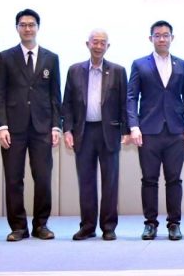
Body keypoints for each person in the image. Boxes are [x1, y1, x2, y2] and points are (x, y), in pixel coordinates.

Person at [0, 9, 62, 242]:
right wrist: (1, 126)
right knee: (14, 179)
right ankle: (18, 227)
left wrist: (56, 126)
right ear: (17, 28)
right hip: (13, 128)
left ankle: (41, 225)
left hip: (42, 128)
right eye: (23, 25)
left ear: (38, 28)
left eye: (31, 25)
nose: (27, 29)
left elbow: (55, 96)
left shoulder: (51, 58)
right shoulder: (4, 58)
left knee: (43, 178)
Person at [61, 29, 129, 241]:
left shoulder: (118, 71)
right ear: (88, 44)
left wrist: (126, 130)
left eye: (102, 43)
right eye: (95, 42)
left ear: (108, 46)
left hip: (109, 132)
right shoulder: (74, 70)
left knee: (110, 182)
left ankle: (108, 227)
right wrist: (67, 130)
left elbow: (124, 103)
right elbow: (67, 104)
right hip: (83, 132)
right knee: (86, 182)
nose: (98, 46)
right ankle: (88, 226)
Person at [127, 20, 184, 241]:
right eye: (157, 35)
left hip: (175, 131)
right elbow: (131, 97)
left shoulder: (182, 64)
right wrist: (134, 126)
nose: (162, 39)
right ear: (151, 38)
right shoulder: (139, 64)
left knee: (174, 180)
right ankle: (150, 224)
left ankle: (174, 224)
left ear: (172, 38)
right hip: (148, 131)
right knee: (149, 180)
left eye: (166, 35)